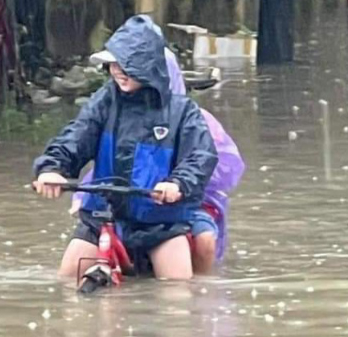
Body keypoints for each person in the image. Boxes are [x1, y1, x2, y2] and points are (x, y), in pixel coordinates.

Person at [32, 15, 218, 283]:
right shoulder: (105, 101)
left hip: (161, 223)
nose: (117, 71)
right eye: (113, 64)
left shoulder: (182, 111)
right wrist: (52, 168)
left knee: (178, 299)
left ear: (148, 66)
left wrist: (178, 184)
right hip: (101, 216)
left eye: (125, 65)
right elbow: (76, 135)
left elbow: (201, 156)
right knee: (66, 283)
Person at [70, 48, 246, 275]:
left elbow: (215, 164)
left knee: (204, 240)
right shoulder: (115, 113)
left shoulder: (194, 118)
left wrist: (180, 185)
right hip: (126, 198)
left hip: (181, 203)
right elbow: (102, 159)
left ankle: (202, 287)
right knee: (69, 273)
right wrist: (80, 193)